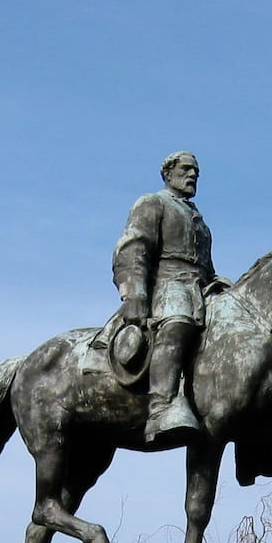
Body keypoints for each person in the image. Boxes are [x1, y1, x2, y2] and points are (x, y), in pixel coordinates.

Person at [112, 151, 216, 443]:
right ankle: (161, 407)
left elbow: (205, 264)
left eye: (196, 171)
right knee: (178, 322)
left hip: (199, 287)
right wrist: (134, 293)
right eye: (186, 169)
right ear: (168, 174)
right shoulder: (153, 203)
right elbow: (132, 248)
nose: (193, 175)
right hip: (167, 286)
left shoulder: (199, 220)